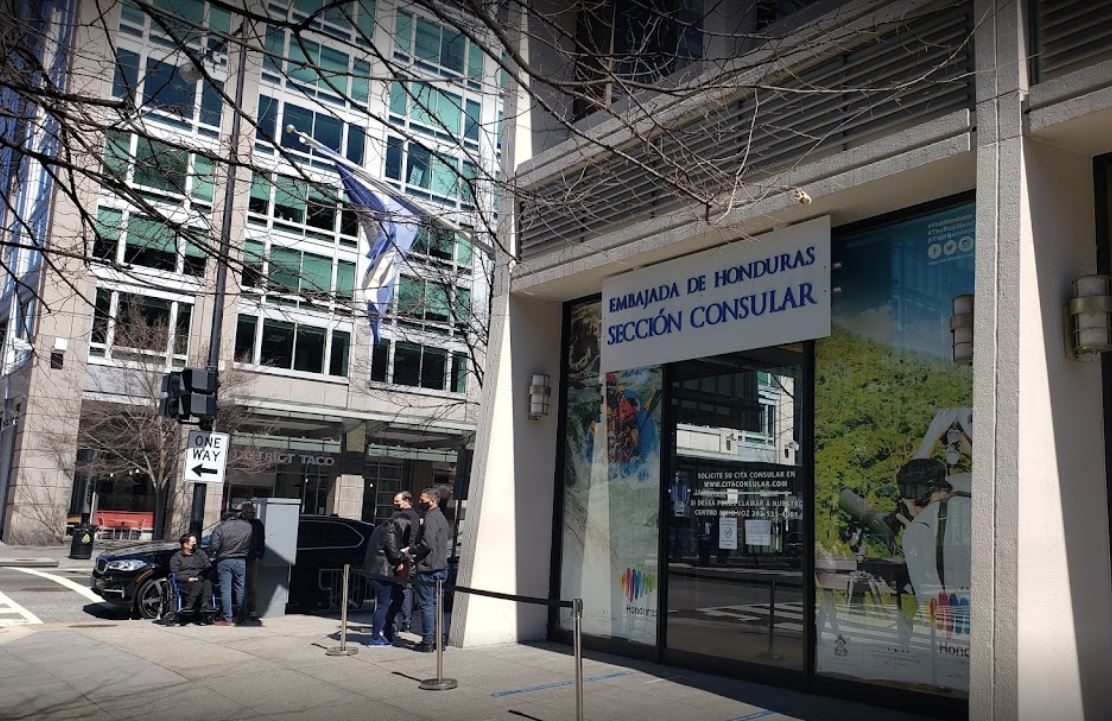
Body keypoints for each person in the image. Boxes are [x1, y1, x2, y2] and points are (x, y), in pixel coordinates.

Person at [362, 508, 414, 647]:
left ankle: (386, 631)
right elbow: (394, 555)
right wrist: (406, 554)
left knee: (397, 598)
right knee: (383, 605)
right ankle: (375, 638)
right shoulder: (390, 531)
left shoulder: (380, 528)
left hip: (375, 570)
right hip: (382, 572)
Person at [409, 487, 450, 652]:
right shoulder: (440, 517)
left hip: (428, 568)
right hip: (439, 567)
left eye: (422, 500)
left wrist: (411, 550)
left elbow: (427, 543)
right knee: (436, 605)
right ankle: (439, 639)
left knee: (427, 605)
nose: (420, 502)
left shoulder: (431, 518)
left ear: (432, 501)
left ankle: (428, 641)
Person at [209, 510, 253, 626]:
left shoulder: (220, 527)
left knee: (226, 590)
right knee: (240, 588)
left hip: (225, 560)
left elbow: (214, 546)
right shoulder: (247, 526)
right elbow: (250, 543)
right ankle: (242, 617)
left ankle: (227, 618)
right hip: (241, 559)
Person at [390, 492, 420, 633]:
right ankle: (407, 621)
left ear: (407, 500)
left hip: (401, 554)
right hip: (410, 554)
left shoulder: (399, 516)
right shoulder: (416, 516)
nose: (395, 504)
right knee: (406, 588)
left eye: (398, 501)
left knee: (396, 589)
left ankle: (393, 621)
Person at [169, 533, 214, 623]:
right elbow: (176, 573)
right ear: (185, 545)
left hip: (200, 577)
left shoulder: (200, 553)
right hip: (185, 582)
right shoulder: (177, 557)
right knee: (199, 583)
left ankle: (205, 605)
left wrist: (201, 575)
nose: (195, 544)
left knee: (206, 581)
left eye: (196, 542)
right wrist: (188, 578)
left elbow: (208, 565)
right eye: (193, 543)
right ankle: (189, 605)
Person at [240, 501, 266, 622]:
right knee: (240, 585)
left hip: (251, 557)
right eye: (249, 512)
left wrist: (259, 555)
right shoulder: (238, 523)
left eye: (253, 512)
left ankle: (251, 609)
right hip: (239, 557)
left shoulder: (257, 524)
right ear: (243, 512)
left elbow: (261, 540)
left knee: (252, 585)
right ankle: (241, 609)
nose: (252, 514)